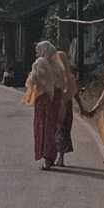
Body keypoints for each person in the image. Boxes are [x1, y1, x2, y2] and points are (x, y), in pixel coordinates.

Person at [24, 37, 70, 169]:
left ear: (43, 50)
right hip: (55, 100)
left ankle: (46, 159)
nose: (37, 52)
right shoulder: (58, 66)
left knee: (42, 128)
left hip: (43, 99)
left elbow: (33, 80)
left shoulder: (39, 63)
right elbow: (62, 84)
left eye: (38, 50)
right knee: (52, 128)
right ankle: (50, 157)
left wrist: (31, 79)